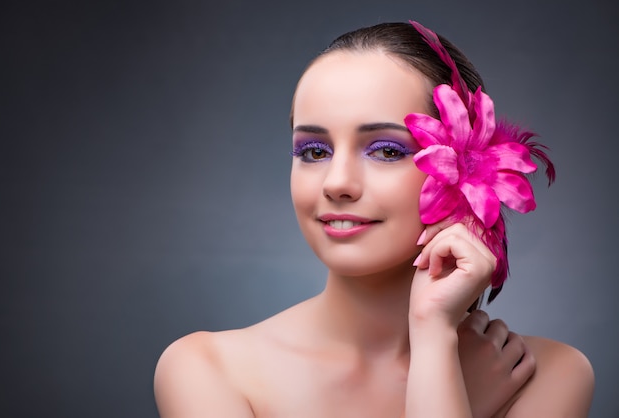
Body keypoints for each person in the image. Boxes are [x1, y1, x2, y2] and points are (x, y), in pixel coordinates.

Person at [154, 21, 594, 417]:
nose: (336, 182)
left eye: (386, 150)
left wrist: (433, 341)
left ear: (466, 169)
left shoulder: (547, 374)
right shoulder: (207, 370)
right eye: (313, 151)